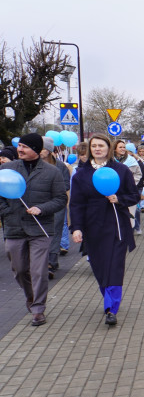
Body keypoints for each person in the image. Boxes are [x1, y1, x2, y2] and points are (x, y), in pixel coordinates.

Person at [69, 135, 140, 325]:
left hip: (117, 225)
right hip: (93, 226)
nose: (98, 149)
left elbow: (134, 196)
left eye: (101, 145)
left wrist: (120, 199)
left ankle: (111, 308)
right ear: (89, 149)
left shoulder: (121, 170)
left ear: (109, 148)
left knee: (114, 266)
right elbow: (76, 204)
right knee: (100, 267)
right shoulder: (81, 174)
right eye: (94, 146)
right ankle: (108, 299)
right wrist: (76, 228)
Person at [0, 133, 68, 326]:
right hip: (14, 228)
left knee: (38, 271)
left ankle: (38, 309)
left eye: (24, 146)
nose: (19, 149)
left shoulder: (52, 172)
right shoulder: (7, 169)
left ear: (36, 150)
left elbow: (61, 199)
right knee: (20, 270)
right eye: (19, 145)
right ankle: (31, 298)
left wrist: (42, 209)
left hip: (40, 229)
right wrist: (7, 212)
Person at [40, 135, 71, 279]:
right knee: (41, 233)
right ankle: (44, 261)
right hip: (38, 205)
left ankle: (51, 262)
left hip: (57, 204)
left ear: (49, 150)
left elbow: (65, 185)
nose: (39, 151)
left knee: (55, 231)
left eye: (42, 148)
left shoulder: (60, 166)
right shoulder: (33, 165)